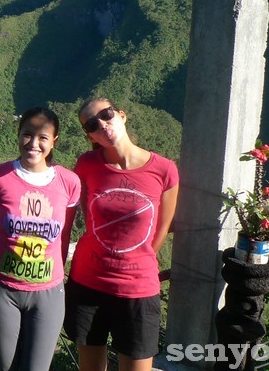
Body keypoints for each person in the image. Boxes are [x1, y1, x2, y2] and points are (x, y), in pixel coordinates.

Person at [64, 98, 179, 371]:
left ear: (122, 115)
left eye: (106, 115)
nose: (102, 124)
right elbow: (87, 217)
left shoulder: (164, 170)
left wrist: (134, 259)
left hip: (138, 289)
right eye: (92, 124)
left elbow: (161, 229)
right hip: (87, 282)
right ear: (89, 135)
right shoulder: (86, 164)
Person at [0, 106, 81, 371]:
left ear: (54, 141)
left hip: (48, 295)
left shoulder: (69, 182)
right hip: (1, 292)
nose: (33, 143)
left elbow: (63, 240)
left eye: (43, 137)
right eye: (27, 134)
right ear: (18, 135)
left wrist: (57, 281)